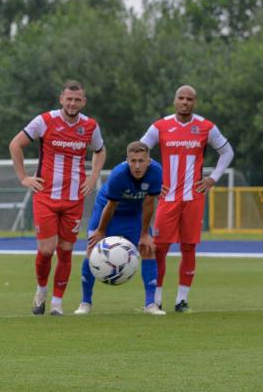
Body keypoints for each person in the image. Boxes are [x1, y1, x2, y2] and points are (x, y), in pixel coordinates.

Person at [9, 81, 106, 316]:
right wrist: (23, 177)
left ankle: (56, 303)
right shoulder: (44, 121)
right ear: (61, 99)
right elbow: (15, 144)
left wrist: (94, 176)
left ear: (84, 102)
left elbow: (100, 150)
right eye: (69, 99)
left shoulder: (90, 126)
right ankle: (41, 291)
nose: (72, 103)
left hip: (74, 198)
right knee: (46, 250)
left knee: (66, 249)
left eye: (77, 99)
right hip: (46, 196)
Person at [140, 85, 234, 312]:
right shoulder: (160, 126)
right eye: (181, 98)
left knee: (189, 247)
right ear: (175, 100)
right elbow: (139, 151)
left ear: (195, 102)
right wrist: (153, 181)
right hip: (168, 198)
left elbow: (227, 151)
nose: (185, 102)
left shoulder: (205, 127)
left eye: (189, 99)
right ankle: (157, 299)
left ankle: (181, 300)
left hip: (194, 197)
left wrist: (212, 178)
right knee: (159, 248)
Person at [80, 141, 164, 315]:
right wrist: (101, 231)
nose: (137, 166)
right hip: (108, 210)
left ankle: (151, 304)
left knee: (148, 248)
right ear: (127, 160)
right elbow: (111, 205)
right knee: (92, 249)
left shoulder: (156, 171)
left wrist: (144, 234)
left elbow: (149, 204)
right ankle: (85, 302)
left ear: (148, 160)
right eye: (133, 161)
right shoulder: (119, 174)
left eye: (141, 161)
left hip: (134, 213)